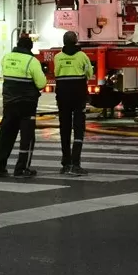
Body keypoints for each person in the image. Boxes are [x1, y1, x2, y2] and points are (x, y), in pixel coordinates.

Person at [0, 34, 46, 178]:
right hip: (27, 105)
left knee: (6, 134)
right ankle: (21, 168)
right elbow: (41, 84)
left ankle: (0, 165)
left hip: (9, 103)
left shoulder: (6, 58)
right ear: (30, 47)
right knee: (27, 137)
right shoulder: (32, 61)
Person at [53, 31, 94, 176]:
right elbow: (89, 73)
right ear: (76, 41)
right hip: (78, 96)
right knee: (78, 129)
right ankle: (76, 164)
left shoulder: (58, 57)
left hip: (63, 96)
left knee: (64, 129)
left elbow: (56, 73)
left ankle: (66, 164)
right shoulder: (82, 56)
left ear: (64, 42)